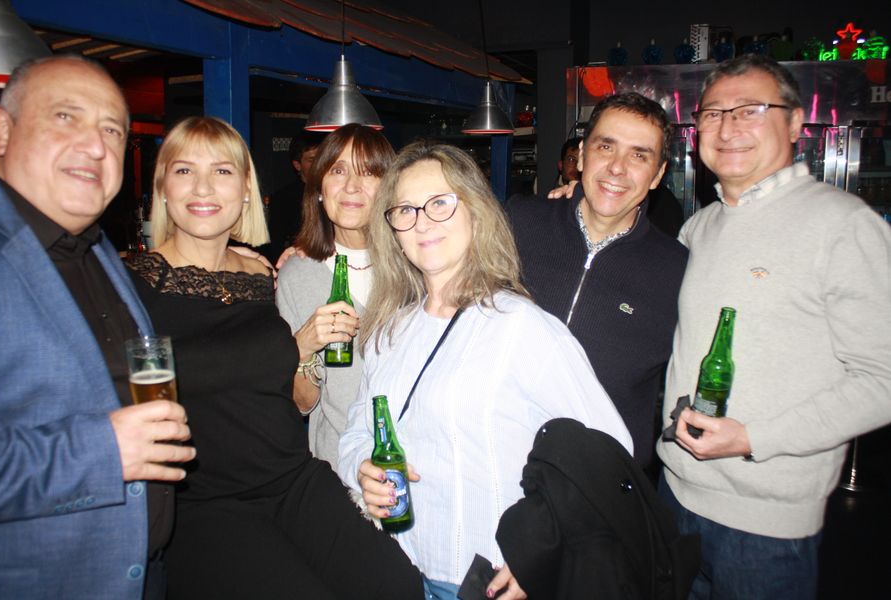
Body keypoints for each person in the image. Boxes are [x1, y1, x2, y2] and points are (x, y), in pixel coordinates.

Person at [124, 116, 421, 599]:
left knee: (399, 588)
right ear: (161, 187)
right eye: (184, 170)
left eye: (222, 171)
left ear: (246, 190)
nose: (203, 187)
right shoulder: (131, 287)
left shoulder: (262, 274)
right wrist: (306, 344)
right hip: (207, 497)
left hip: (292, 476)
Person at [338, 141, 632, 600]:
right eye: (406, 210)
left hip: (482, 579)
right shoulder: (390, 330)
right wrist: (362, 467)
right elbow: (358, 428)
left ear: (475, 211)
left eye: (440, 203)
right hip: (395, 568)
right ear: (392, 229)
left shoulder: (522, 327)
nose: (422, 222)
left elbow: (611, 451)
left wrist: (542, 546)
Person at [657, 54, 891, 599]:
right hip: (673, 498)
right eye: (713, 113)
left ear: (794, 124)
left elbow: (883, 380)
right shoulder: (700, 226)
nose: (728, 127)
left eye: (750, 110)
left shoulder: (844, 224)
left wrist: (754, 439)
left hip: (764, 530)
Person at [0, 55, 195, 598]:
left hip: (142, 572)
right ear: (0, 130)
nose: (96, 145)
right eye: (66, 117)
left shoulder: (98, 249)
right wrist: (102, 453)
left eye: (112, 130)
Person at [508, 92, 688, 472]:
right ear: (582, 156)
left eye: (639, 155)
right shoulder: (516, 223)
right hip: (499, 460)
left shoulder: (677, 271)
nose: (617, 167)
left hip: (601, 482)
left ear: (658, 175)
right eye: (606, 147)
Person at [276, 123, 395, 471]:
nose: (351, 186)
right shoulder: (298, 275)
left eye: (368, 172)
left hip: (422, 464)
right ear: (319, 188)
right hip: (341, 468)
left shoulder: (416, 263)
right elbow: (301, 404)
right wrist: (303, 348)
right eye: (338, 170)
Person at [264, 130, 322, 263]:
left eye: (322, 157)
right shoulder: (283, 198)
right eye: (312, 160)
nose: (319, 163)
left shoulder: (335, 193)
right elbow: (277, 244)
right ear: (297, 165)